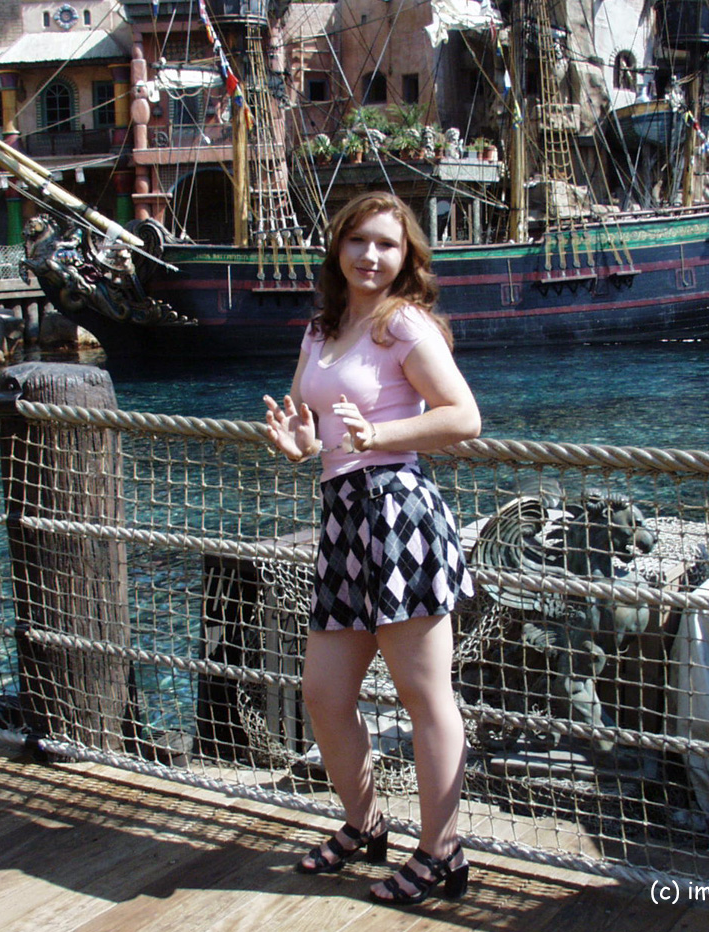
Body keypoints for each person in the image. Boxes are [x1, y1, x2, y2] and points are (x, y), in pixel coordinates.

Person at [262, 191, 481, 905]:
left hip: (397, 515)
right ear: (338, 248)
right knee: (324, 694)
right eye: (358, 240)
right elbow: (317, 420)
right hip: (341, 520)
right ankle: (364, 825)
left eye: (387, 244)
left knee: (425, 699)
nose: (370, 255)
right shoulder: (323, 329)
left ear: (406, 256)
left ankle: (442, 854)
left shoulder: (403, 325)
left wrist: (377, 437)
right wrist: (302, 446)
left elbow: (464, 418)